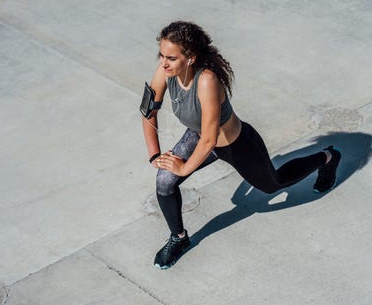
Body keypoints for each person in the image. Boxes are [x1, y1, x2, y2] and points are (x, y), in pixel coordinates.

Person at [142, 21, 341, 269]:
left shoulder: (207, 81)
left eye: (171, 57)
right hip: (198, 136)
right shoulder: (165, 71)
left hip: (236, 144)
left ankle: (327, 158)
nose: (163, 62)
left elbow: (210, 140)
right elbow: (147, 111)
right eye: (161, 55)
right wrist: (155, 156)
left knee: (272, 185)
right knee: (164, 181)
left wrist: (183, 168)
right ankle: (179, 238)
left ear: (191, 57)